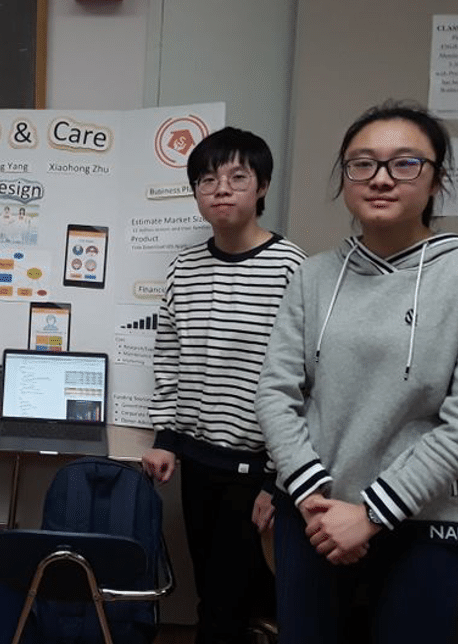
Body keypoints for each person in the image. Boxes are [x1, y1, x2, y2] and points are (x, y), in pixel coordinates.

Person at [255, 101, 458, 643]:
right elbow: (276, 393)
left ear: (436, 179)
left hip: (418, 526)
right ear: (345, 178)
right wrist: (313, 499)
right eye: (362, 163)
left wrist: (369, 513)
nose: (382, 178)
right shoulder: (314, 276)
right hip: (312, 519)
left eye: (405, 163)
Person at [141, 126, 306, 644]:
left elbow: (305, 379)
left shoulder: (291, 267)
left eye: (238, 176)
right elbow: (168, 355)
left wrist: (276, 481)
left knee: (236, 603)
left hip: (258, 468)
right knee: (211, 593)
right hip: (198, 462)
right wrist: (166, 439)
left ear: (262, 186)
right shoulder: (184, 268)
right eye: (208, 179)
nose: (221, 188)